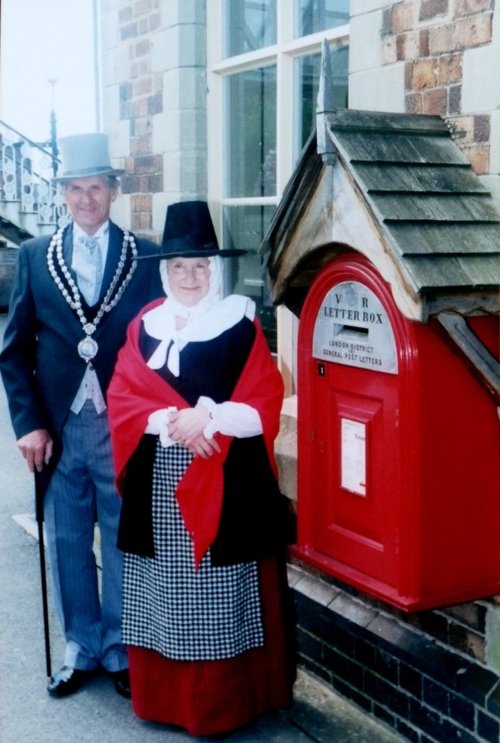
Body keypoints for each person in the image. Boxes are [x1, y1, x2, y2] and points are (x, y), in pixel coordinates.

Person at [107, 200, 296, 737]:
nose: (190, 276)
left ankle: (220, 707)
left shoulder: (239, 322)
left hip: (223, 478)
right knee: (162, 590)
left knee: (218, 591)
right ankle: (165, 701)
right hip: (159, 484)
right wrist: (173, 420)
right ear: (165, 270)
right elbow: (124, 397)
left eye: (201, 265)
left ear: (215, 269)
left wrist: (208, 417)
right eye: (180, 266)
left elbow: (264, 396)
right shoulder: (145, 327)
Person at [0, 133, 163, 699]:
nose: (86, 198)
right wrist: (28, 425)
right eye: (76, 189)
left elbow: (159, 342)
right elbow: (15, 349)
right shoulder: (33, 256)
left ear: (112, 192)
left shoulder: (145, 256)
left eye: (96, 187)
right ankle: (80, 647)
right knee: (67, 536)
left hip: (122, 422)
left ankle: (120, 646)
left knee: (123, 536)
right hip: (59, 425)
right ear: (63, 194)